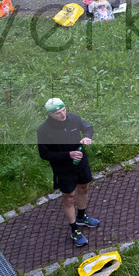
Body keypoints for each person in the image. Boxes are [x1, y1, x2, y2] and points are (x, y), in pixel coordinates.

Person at [36, 98, 100, 248]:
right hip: (63, 168)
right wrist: (68, 155)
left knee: (84, 187)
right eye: (58, 113)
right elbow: (44, 154)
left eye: (63, 110)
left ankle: (81, 217)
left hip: (81, 162)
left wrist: (86, 137)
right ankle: (74, 230)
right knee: (69, 197)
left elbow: (88, 127)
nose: (63, 115)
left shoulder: (73, 118)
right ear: (50, 114)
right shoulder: (43, 130)